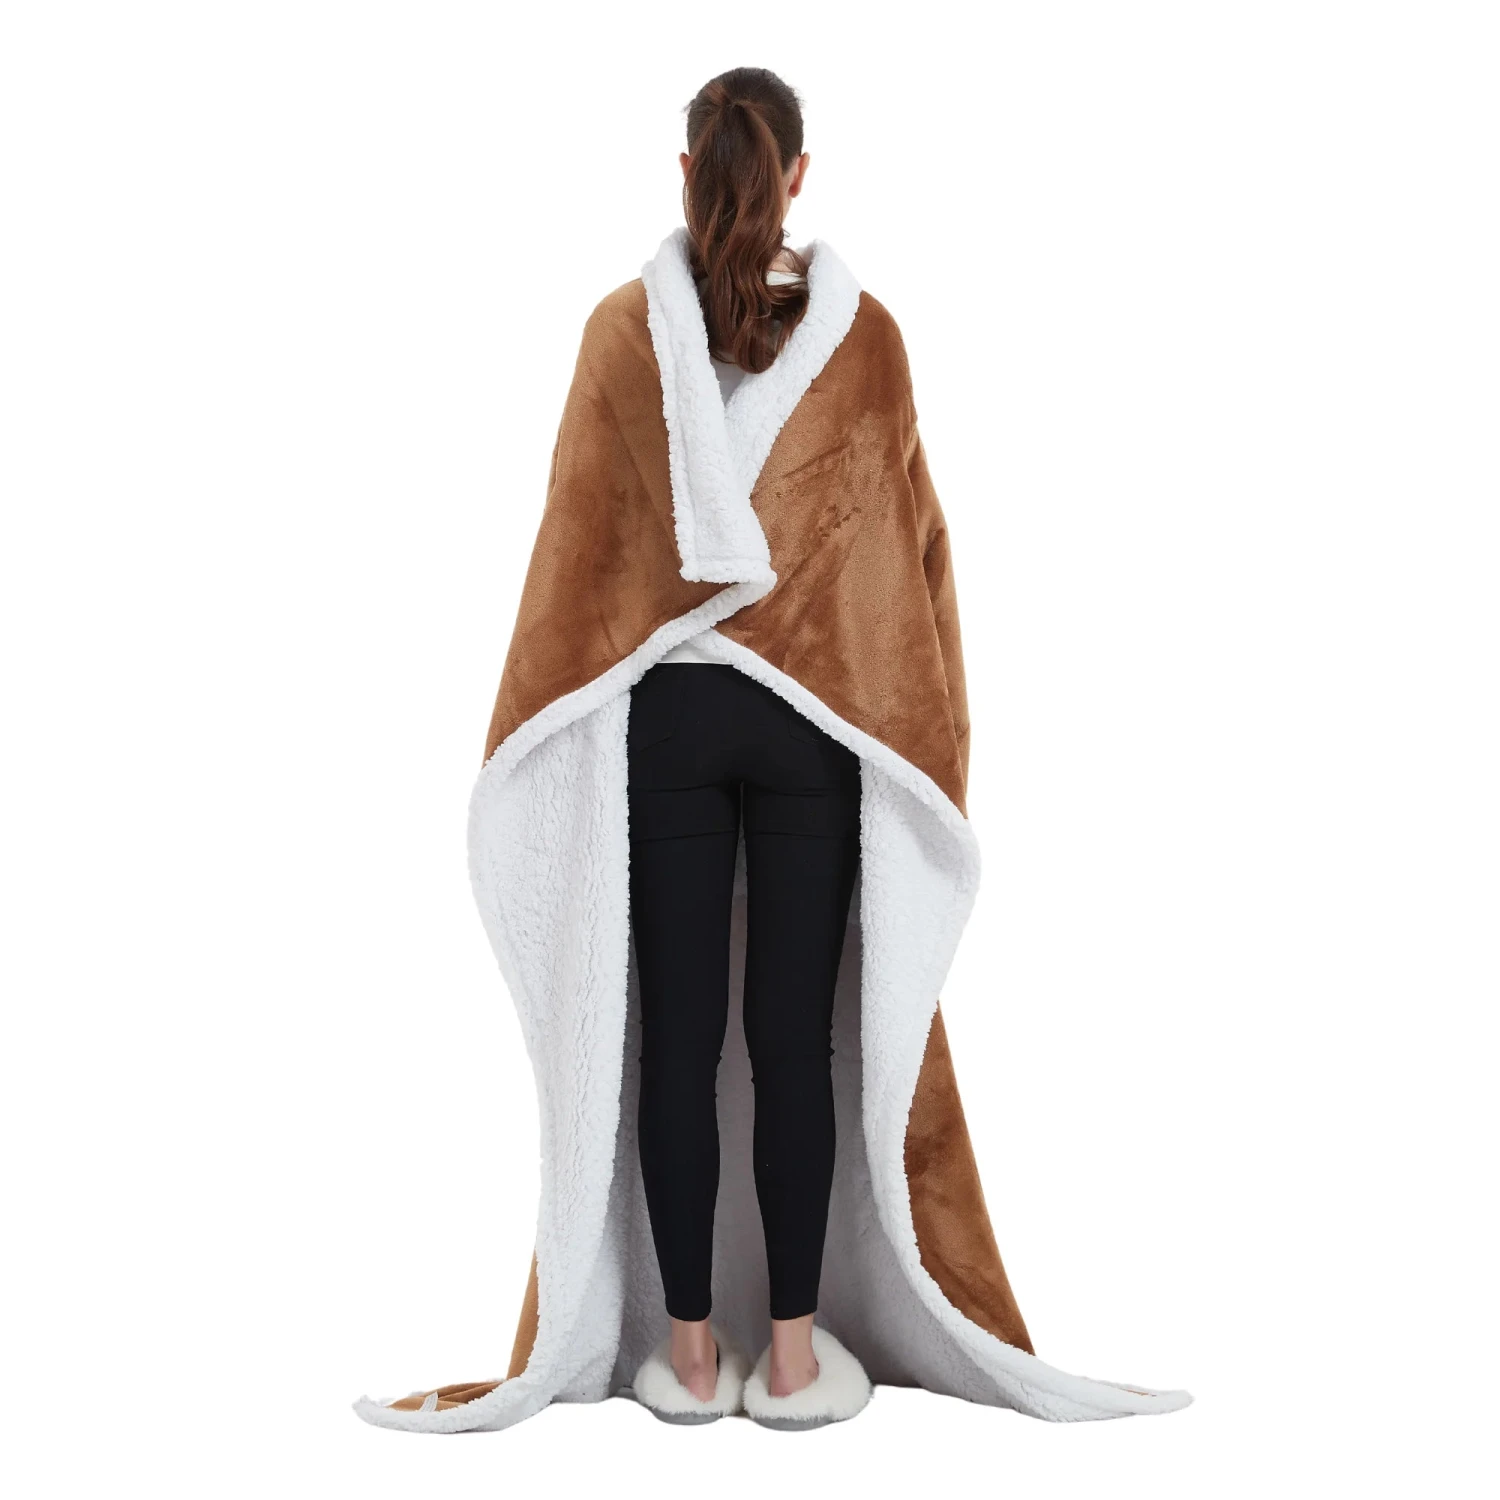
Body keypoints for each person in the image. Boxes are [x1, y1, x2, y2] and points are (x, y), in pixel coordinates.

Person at [355, 64, 1190, 1438]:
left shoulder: (624, 334)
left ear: (684, 168)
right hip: (818, 725)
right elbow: (915, 551)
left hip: (670, 724)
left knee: (677, 1043)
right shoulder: (866, 343)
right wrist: (932, 736)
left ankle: (689, 1360)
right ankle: (794, 1363)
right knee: (795, 1046)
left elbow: (575, 554)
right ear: (797, 175)